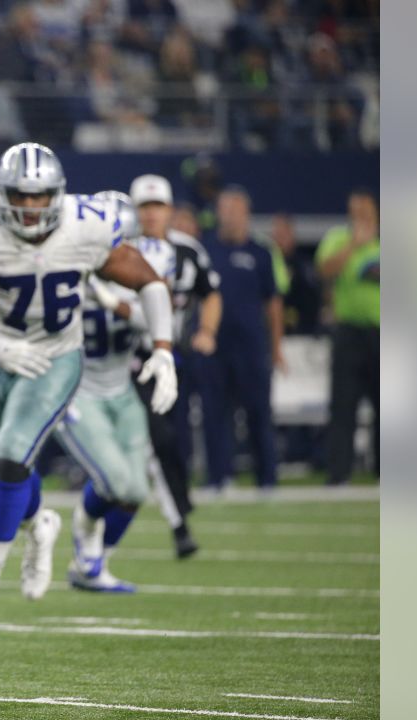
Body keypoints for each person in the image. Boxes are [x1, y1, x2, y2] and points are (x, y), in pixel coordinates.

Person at [0, 143, 178, 630]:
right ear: (1, 194)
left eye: (39, 196)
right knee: (7, 466)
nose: (29, 207)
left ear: (57, 195)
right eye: (19, 196)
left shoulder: (86, 226)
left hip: (56, 356)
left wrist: (164, 349)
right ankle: (38, 525)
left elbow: (150, 282)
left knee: (9, 454)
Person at [53, 191, 170, 593]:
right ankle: (86, 548)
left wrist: (112, 301)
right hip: (78, 392)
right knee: (114, 484)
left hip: (121, 390)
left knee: (135, 492)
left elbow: (154, 315)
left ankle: (91, 564)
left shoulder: (142, 269)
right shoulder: (64, 266)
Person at [130, 173, 221, 558]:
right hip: (132, 362)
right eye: (144, 207)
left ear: (169, 210)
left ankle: (180, 505)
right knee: (157, 441)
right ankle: (179, 522)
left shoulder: (188, 251)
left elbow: (210, 293)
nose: (151, 214)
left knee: (175, 441)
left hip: (176, 358)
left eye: (157, 206)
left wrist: (207, 332)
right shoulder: (123, 250)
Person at [200, 186, 284, 490]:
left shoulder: (261, 252)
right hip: (216, 347)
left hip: (251, 347)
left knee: (259, 413)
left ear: (246, 214)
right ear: (218, 213)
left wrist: (276, 348)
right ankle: (218, 477)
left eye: (237, 210)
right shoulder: (206, 250)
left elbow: (273, 303)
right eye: (226, 210)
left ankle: (267, 478)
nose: (231, 216)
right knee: (215, 415)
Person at [316, 189, 379, 485]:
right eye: (354, 210)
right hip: (348, 332)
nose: (359, 216)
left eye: (364, 210)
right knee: (343, 405)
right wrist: (354, 244)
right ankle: (339, 474)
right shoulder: (339, 238)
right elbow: (324, 270)